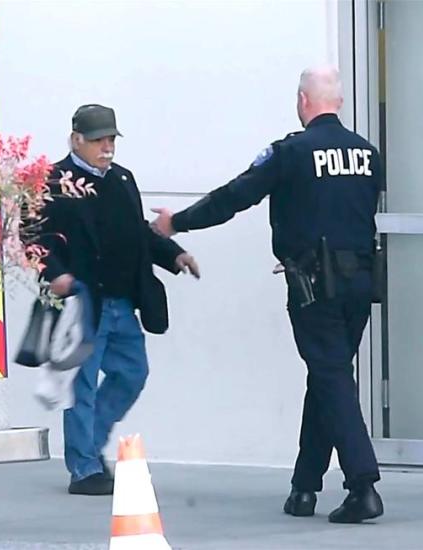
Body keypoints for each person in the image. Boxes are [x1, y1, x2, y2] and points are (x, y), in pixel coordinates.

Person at [150, 67, 384, 523]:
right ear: (339, 102)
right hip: (360, 283)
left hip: (314, 285)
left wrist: (176, 223)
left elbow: (234, 197)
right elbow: (347, 212)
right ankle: (304, 488)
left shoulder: (291, 152)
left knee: (332, 377)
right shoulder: (368, 154)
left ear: (302, 100)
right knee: (327, 377)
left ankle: (363, 485)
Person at [39, 104, 200, 495]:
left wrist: (173, 254)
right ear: (76, 139)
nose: (106, 147)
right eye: (98, 140)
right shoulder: (54, 181)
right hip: (81, 303)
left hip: (122, 302)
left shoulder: (122, 179)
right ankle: (84, 469)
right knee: (82, 386)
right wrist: (55, 273)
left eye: (110, 139)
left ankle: (90, 445)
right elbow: (35, 236)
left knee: (132, 374)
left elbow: (139, 233)